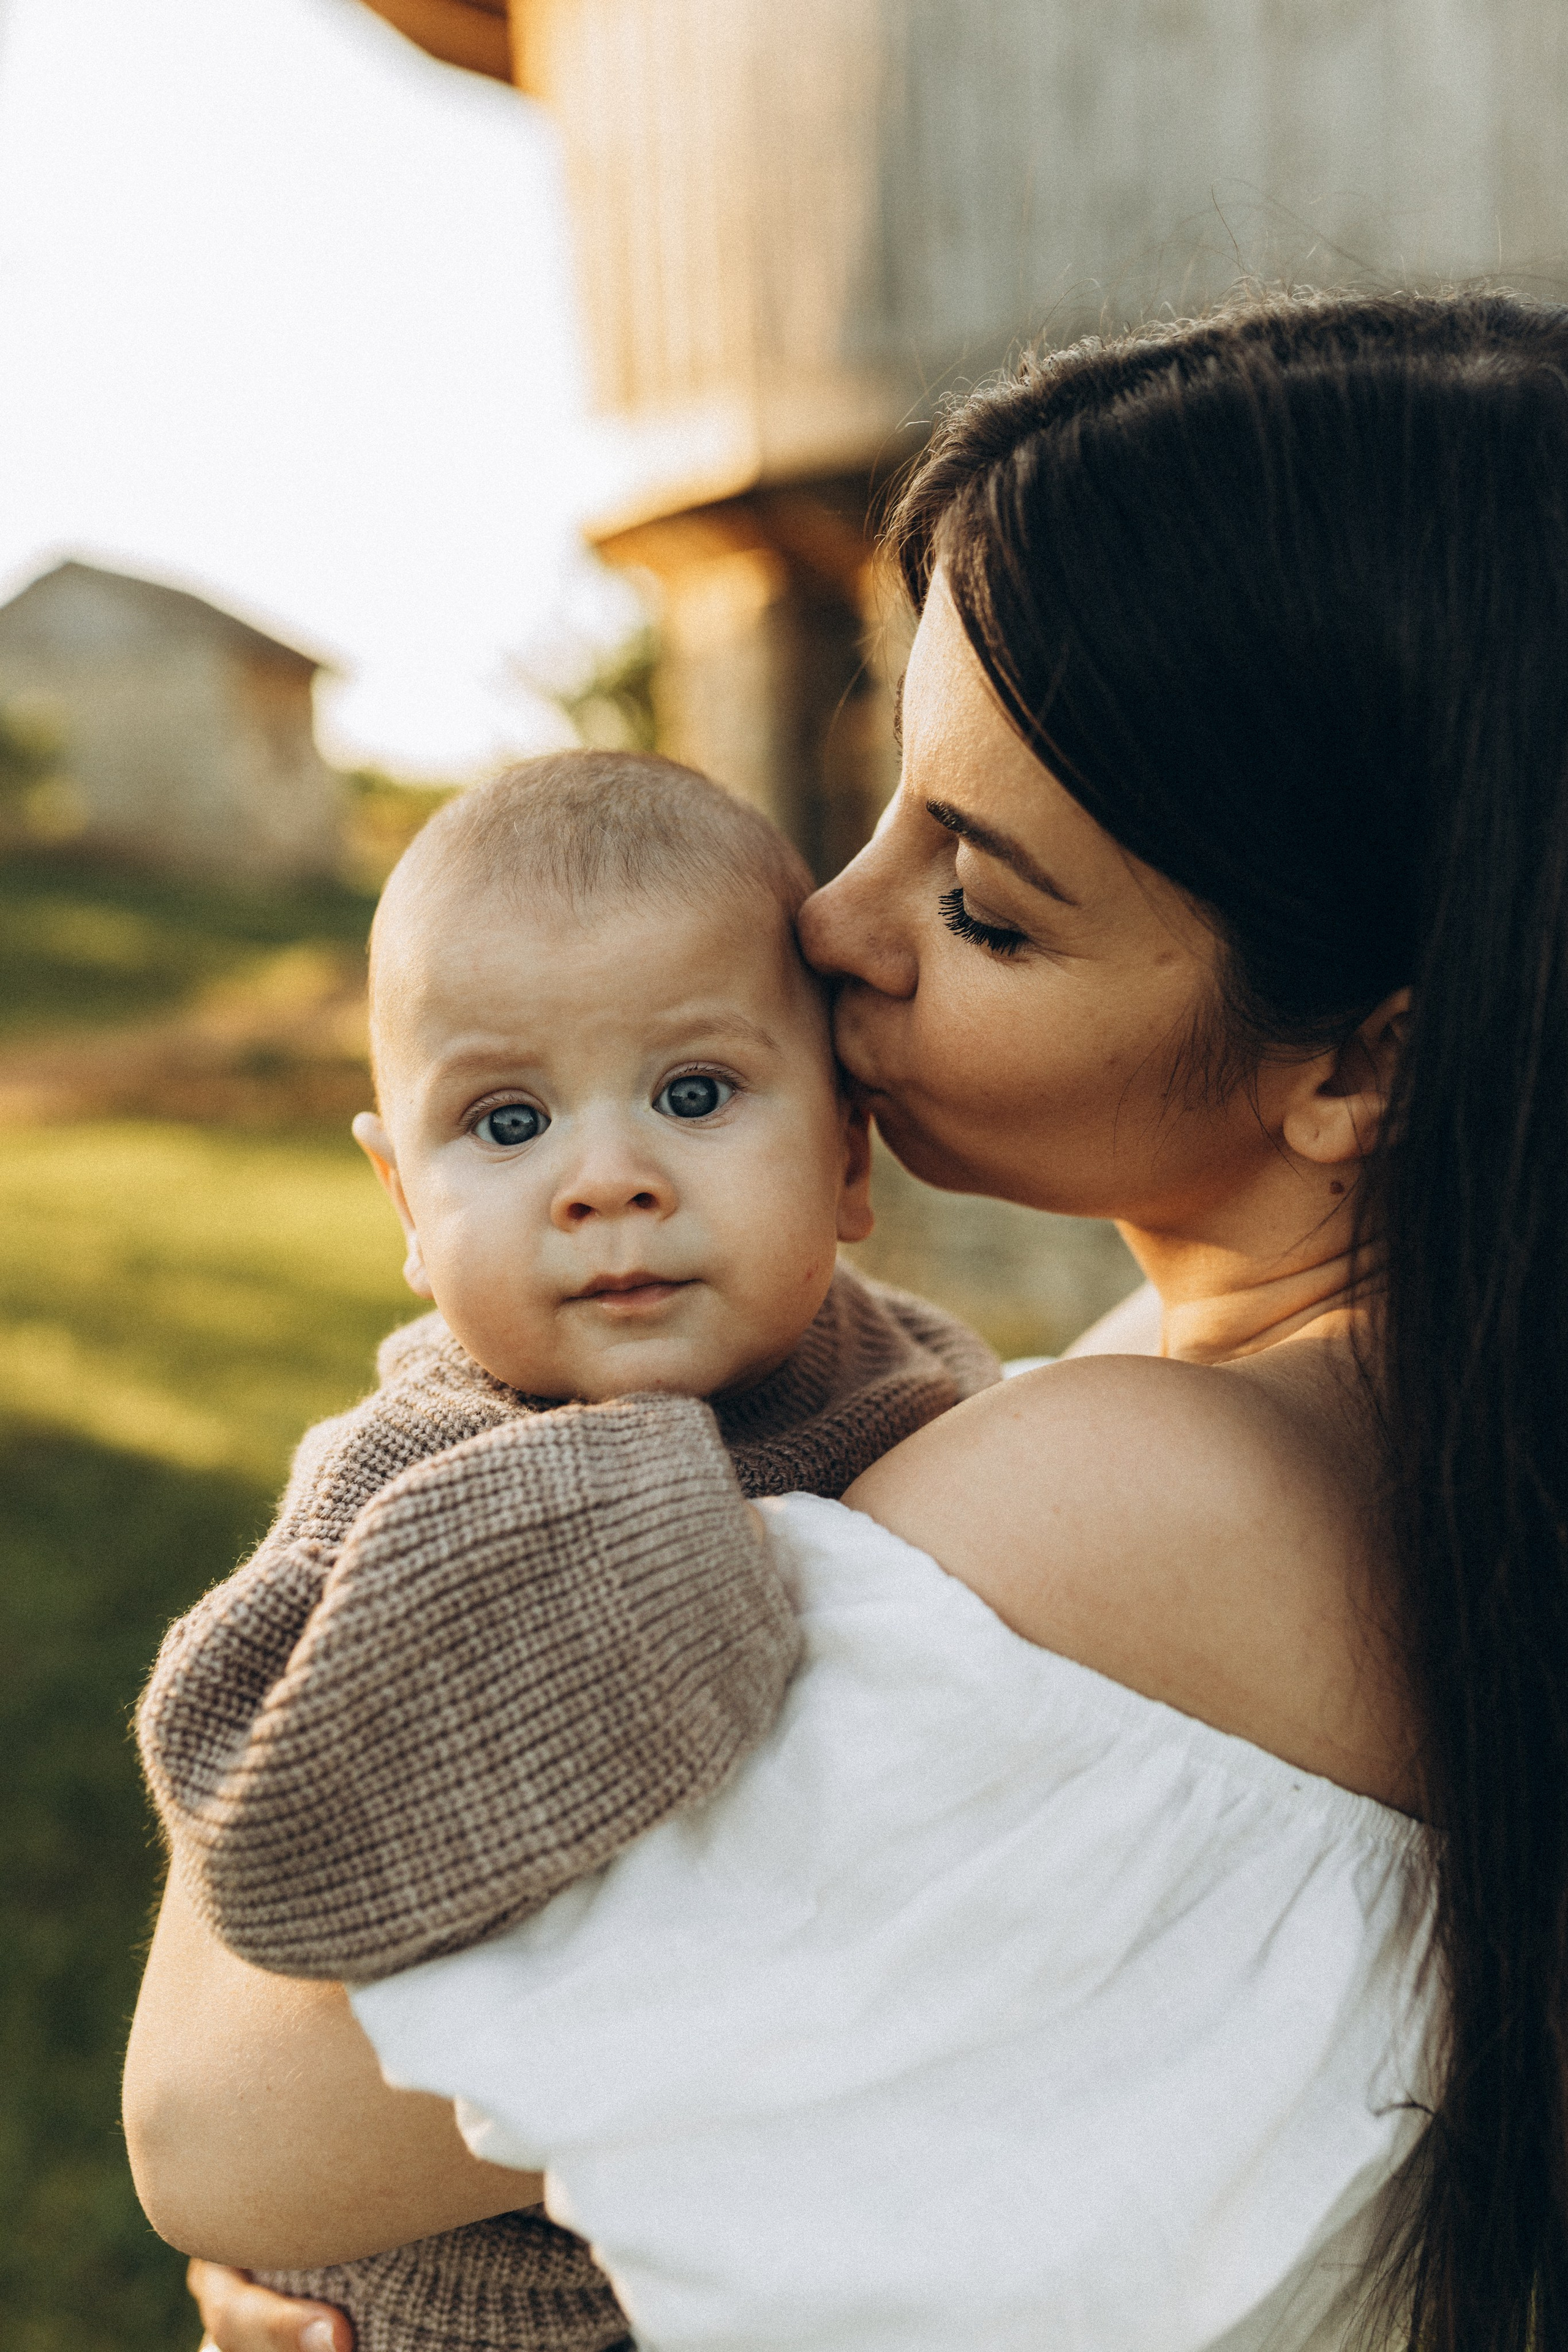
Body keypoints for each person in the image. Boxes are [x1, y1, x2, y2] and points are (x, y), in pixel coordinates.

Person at [126, 287, 1568, 2351]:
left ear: (1363, 1064)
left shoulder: (1136, 1505)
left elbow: (218, 2130)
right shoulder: (1379, 1434)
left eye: (984, 904)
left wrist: (439, 1410)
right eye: (886, 796)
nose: (830, 923)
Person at [132, 748, 1000, 2352]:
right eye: (508, 1120)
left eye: (693, 1095)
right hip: (478, 2301)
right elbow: (230, 1770)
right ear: (404, 1198)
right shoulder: (422, 1461)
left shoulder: (911, 1378)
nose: (609, 1181)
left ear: (850, 1157)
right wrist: (660, 1528)